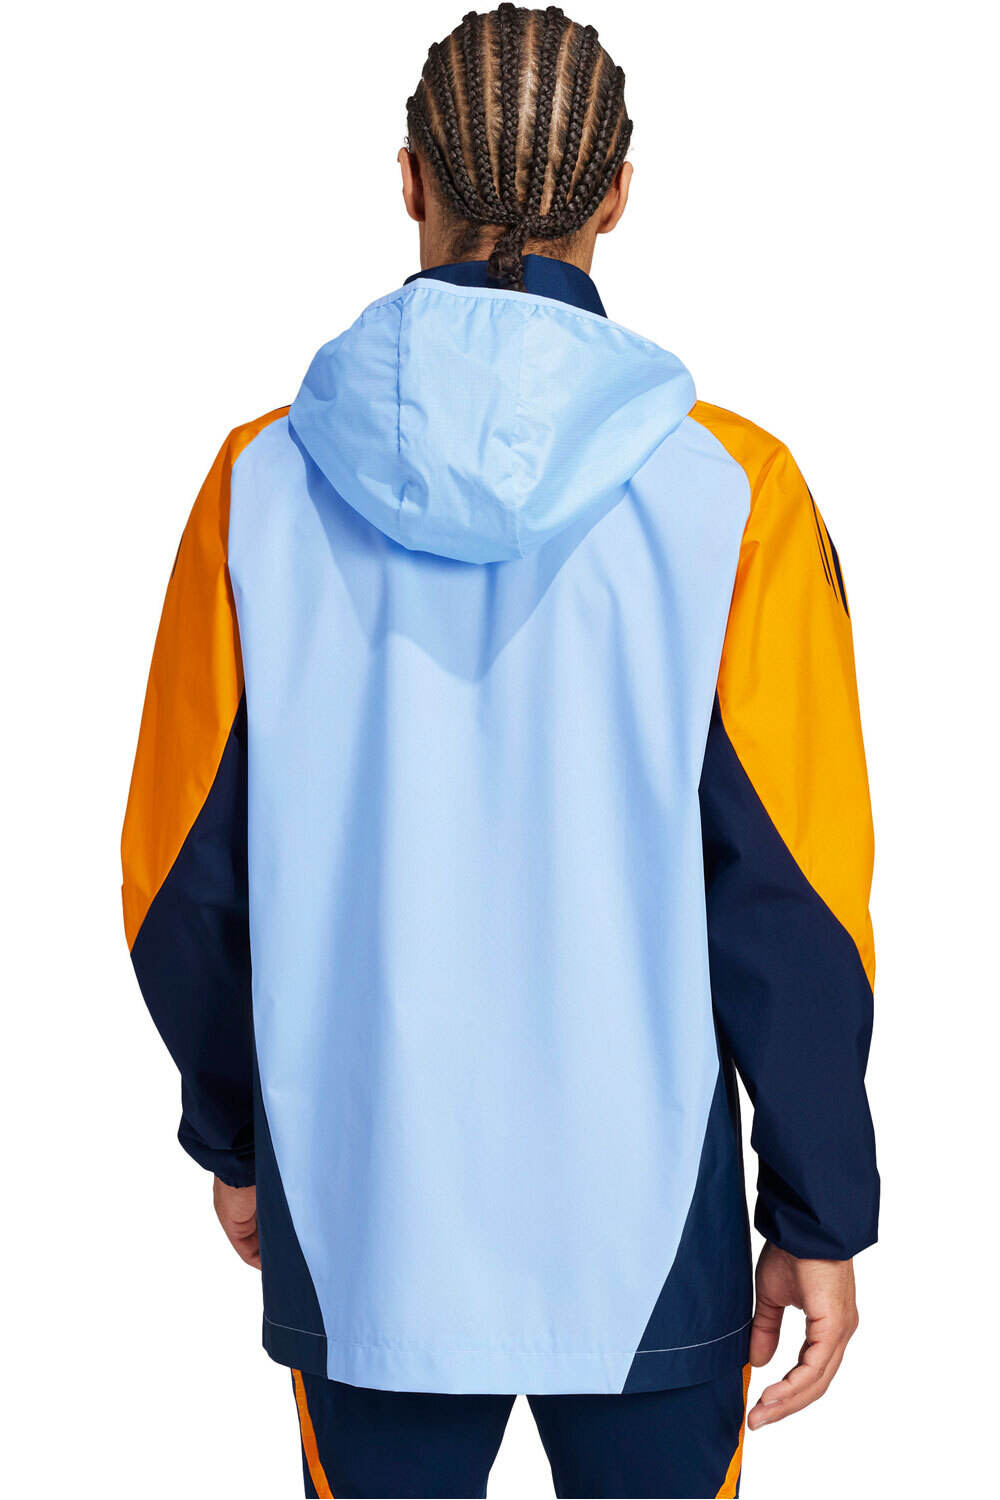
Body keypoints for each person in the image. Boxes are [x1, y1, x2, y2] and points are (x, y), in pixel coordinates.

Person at [121, 6, 878, 1496]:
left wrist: (241, 1132)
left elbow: (180, 877)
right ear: (620, 193)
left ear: (408, 179)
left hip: (364, 1205)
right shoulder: (735, 493)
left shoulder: (256, 486)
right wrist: (818, 1209)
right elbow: (796, 895)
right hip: (648, 1232)